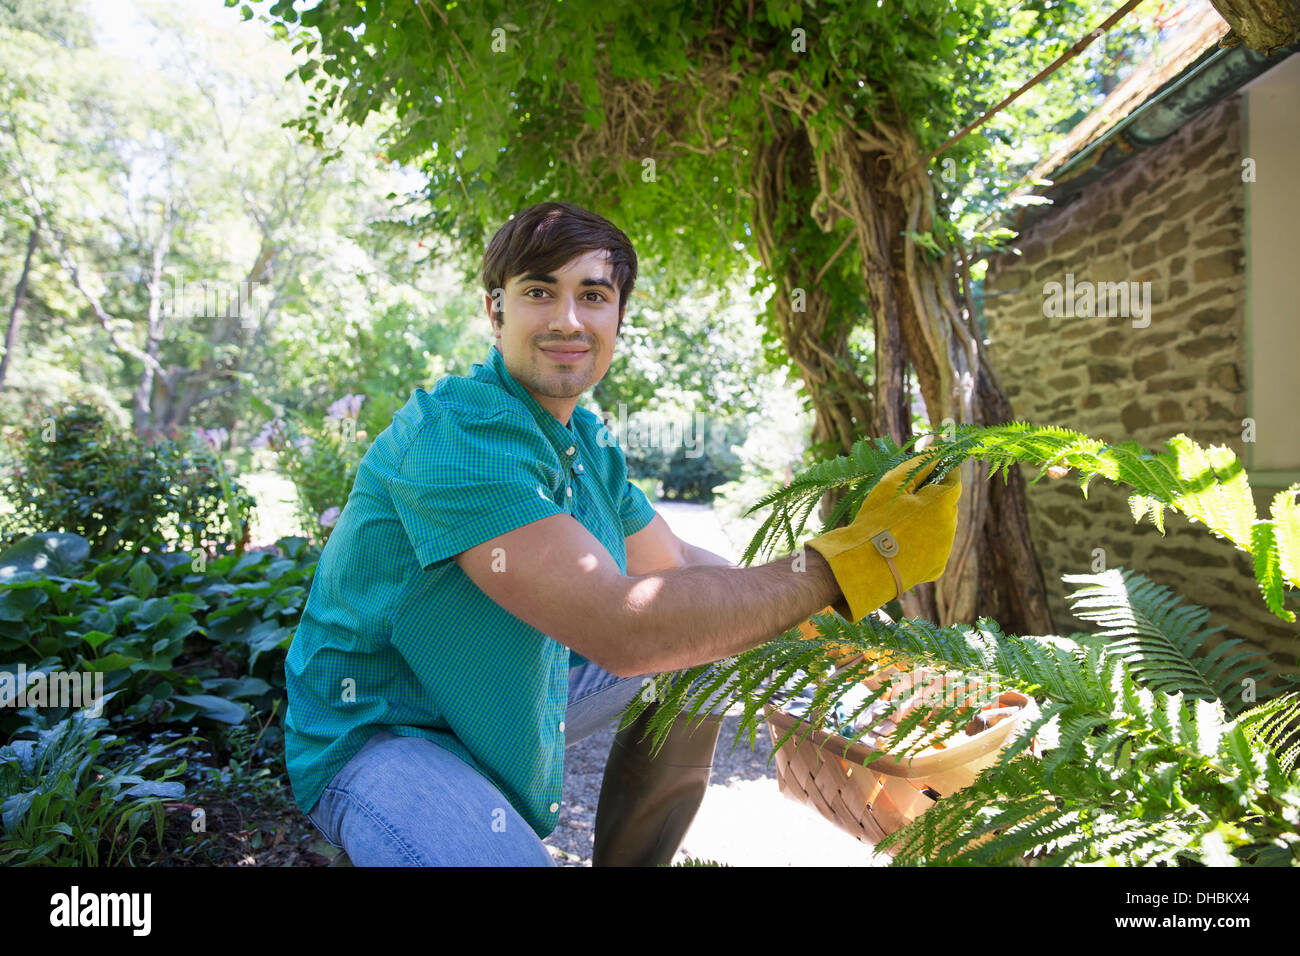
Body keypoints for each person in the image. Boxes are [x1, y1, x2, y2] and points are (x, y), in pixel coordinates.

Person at [284, 200, 962, 866]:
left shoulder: (584, 441)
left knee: (707, 641)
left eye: (594, 295)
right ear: (496, 311)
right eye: (540, 292)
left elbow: (675, 567)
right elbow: (623, 629)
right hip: (388, 732)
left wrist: (816, 626)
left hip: (506, 702)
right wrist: (847, 566)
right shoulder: (456, 439)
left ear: (618, 317)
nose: (568, 319)